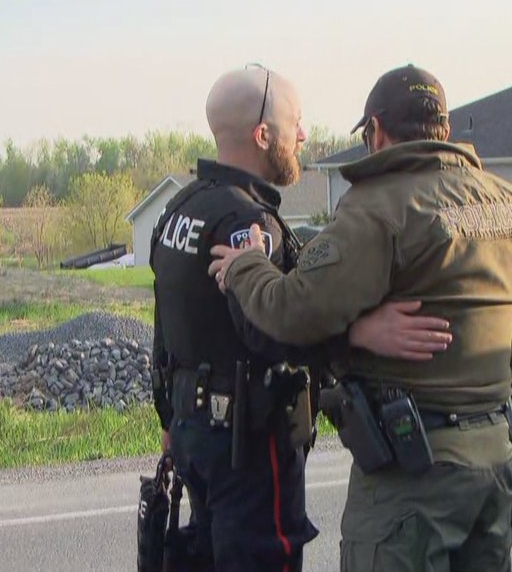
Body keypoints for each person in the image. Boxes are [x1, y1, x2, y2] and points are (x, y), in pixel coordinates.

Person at [208, 64, 512, 572]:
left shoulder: (377, 209)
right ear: (445, 131)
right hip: (494, 464)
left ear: (376, 131)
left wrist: (246, 267)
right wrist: (494, 365)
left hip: (412, 477)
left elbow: (293, 312)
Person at [150, 64, 453, 572]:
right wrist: (360, 334)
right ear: (263, 134)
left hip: (193, 432)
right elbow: (268, 328)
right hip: (250, 445)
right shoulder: (247, 222)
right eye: (296, 123)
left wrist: (168, 419)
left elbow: (165, 327)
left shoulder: (180, 209)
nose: (305, 134)